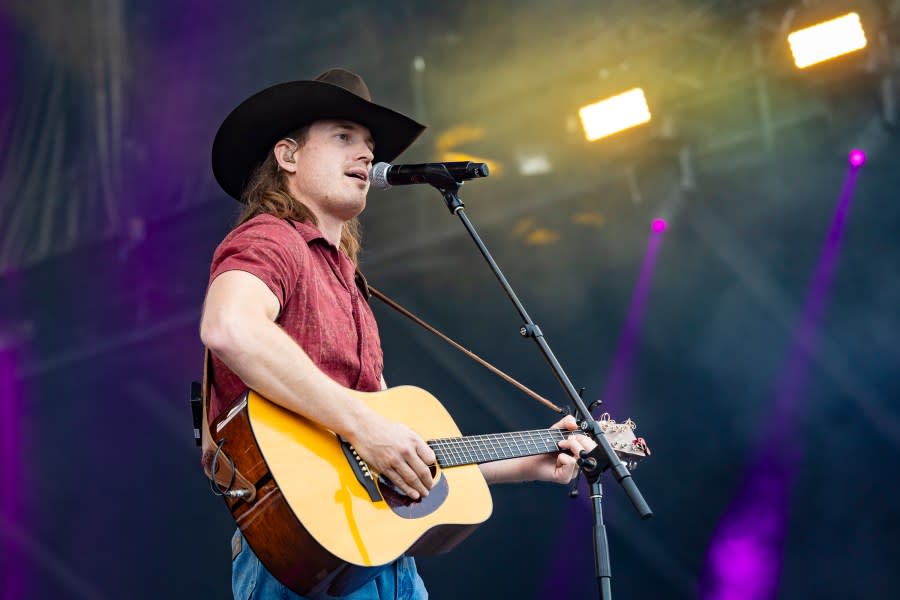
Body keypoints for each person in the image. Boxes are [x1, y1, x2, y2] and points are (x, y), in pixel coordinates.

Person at [200, 68, 597, 600]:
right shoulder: (272, 238)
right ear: (288, 156)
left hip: (382, 556)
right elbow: (229, 326)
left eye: (369, 145)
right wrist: (365, 425)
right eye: (344, 137)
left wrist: (532, 460)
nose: (366, 155)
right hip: (302, 557)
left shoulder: (345, 280)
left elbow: (395, 450)